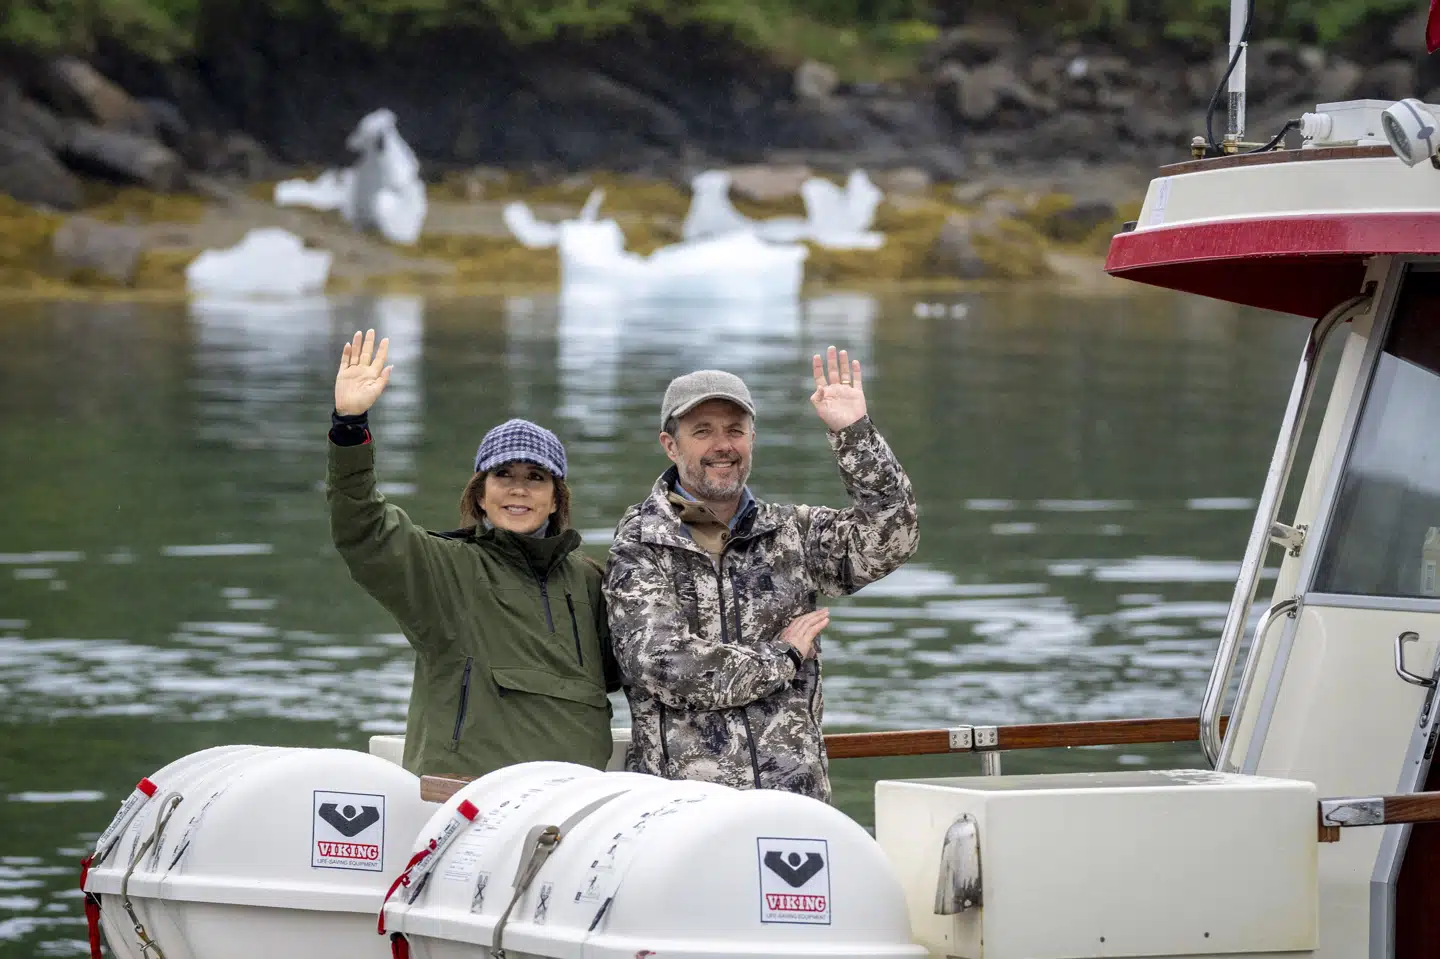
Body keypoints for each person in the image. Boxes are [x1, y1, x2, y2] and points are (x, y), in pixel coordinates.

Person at [603, 346, 919, 803]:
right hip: (684, 811)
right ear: (670, 445)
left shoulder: (791, 533)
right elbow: (665, 667)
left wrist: (853, 435)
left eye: (736, 430)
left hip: (795, 804)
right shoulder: (638, 544)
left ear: (752, 438)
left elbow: (893, 535)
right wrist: (784, 656)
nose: (722, 445)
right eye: (703, 431)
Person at [326, 328, 619, 778]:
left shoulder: (591, 582)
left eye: (536, 477)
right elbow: (363, 527)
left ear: (557, 498)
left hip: (575, 802)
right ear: (480, 495)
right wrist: (350, 427)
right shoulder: (442, 567)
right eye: (503, 474)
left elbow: (640, 667)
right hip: (465, 798)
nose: (519, 488)